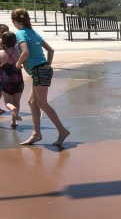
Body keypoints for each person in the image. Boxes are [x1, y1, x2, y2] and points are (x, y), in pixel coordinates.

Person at [11, 8, 70, 146]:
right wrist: (47, 66)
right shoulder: (32, 32)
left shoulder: (20, 33)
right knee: (32, 102)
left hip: (39, 71)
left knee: (42, 103)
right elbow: (50, 50)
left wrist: (18, 64)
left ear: (14, 21)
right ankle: (36, 134)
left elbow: (25, 53)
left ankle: (62, 131)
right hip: (42, 69)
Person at [1, 31, 25, 127]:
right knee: (17, 102)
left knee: (7, 102)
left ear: (3, 42)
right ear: (15, 40)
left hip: (6, 81)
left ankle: (12, 109)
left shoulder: (1, 53)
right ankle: (14, 121)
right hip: (18, 80)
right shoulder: (19, 52)